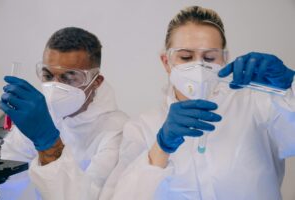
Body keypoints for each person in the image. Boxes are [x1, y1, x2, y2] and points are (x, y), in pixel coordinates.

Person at [110, 6, 295, 200]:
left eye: (209, 57)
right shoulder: (142, 127)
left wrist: (289, 88)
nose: (198, 67)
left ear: (224, 59)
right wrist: (161, 148)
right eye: (186, 57)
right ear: (166, 62)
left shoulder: (256, 104)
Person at [0, 27, 128, 199]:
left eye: (69, 77)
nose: (55, 86)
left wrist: (48, 142)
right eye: (48, 75)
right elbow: (8, 177)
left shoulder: (118, 131)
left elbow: (90, 196)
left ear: (96, 82)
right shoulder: (39, 114)